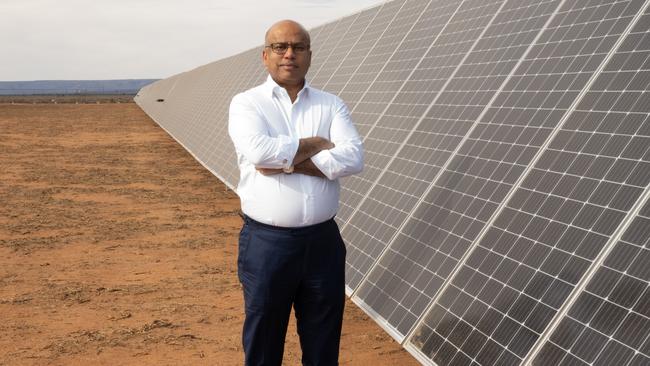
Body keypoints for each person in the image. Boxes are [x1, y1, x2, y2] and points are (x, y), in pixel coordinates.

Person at [228, 19, 364, 366]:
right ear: (265, 55)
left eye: (298, 47)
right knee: (264, 342)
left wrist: (284, 159)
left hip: (323, 243)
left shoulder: (331, 104)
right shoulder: (247, 104)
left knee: (323, 342)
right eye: (280, 47)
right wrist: (318, 146)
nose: (289, 54)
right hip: (268, 244)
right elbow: (259, 153)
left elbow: (353, 158)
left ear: (309, 55)